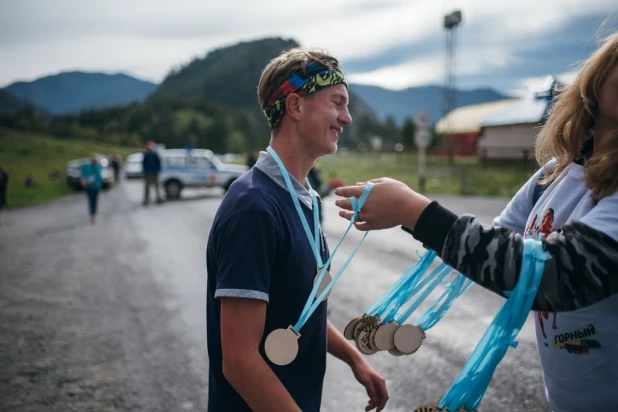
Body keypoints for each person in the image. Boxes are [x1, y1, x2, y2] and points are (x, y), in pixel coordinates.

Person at [334, 33, 618, 412]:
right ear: (598, 77)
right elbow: (497, 249)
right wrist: (410, 214)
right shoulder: (555, 175)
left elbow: (556, 275)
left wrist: (415, 212)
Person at [206, 49, 389, 412]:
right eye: (337, 103)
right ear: (295, 106)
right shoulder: (254, 207)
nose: (347, 118)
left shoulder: (302, 199)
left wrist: (354, 358)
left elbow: (299, 313)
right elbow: (239, 362)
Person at [81, 154, 103, 224]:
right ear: (91, 160)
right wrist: (83, 181)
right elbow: (82, 175)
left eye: (95, 161)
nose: (94, 162)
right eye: (93, 160)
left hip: (97, 187)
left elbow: (100, 176)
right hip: (89, 187)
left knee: (95, 201)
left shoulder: (99, 167)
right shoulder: (86, 167)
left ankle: (94, 214)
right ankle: (92, 215)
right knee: (91, 201)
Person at [141, 140, 163, 205]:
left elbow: (159, 163)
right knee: (147, 188)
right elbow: (143, 164)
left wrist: (157, 171)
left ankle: (159, 198)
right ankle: (146, 199)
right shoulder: (146, 154)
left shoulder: (155, 154)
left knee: (157, 187)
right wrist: (145, 171)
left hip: (154, 173)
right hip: (147, 173)